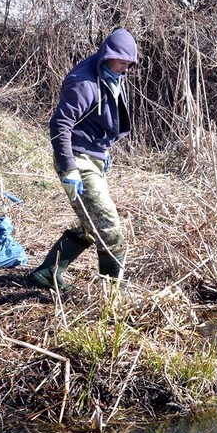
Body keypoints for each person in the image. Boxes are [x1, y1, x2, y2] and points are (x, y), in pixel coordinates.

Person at [30, 28, 138, 290]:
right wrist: (69, 168)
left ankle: (48, 272)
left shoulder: (111, 75)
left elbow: (103, 120)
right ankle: (112, 299)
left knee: (92, 223)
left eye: (129, 63)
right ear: (108, 56)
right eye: (122, 62)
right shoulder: (83, 83)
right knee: (109, 229)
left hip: (95, 156)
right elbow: (60, 125)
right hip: (78, 159)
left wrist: (105, 151)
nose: (125, 68)